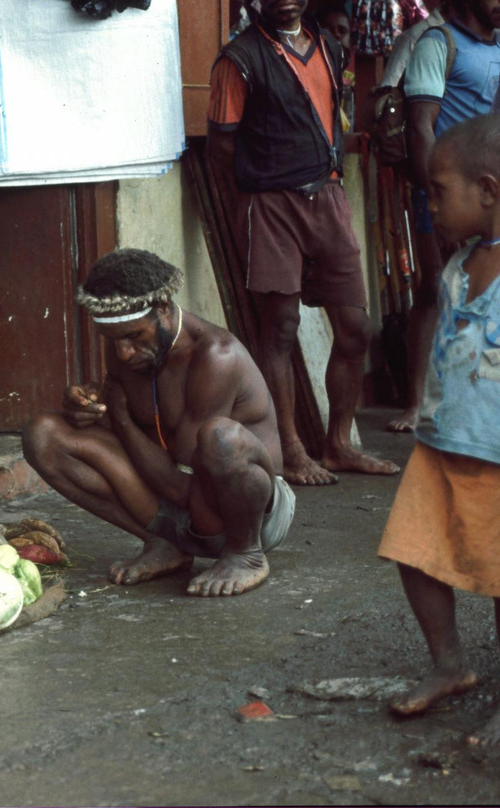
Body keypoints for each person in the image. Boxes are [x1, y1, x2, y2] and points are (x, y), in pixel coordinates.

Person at [22, 248, 295, 597]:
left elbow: (181, 486)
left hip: (249, 514)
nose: (122, 353)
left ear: (164, 307)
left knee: (221, 438)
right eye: (113, 340)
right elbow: (138, 425)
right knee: (43, 434)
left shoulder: (216, 357)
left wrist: (118, 417)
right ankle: (164, 545)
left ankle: (246, 556)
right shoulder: (130, 347)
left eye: (134, 336)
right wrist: (87, 409)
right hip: (183, 501)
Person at [206, 0, 400, 486]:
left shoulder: (330, 48)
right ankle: (291, 451)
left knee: (355, 328)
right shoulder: (240, 58)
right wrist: (256, 196)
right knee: (281, 329)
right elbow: (222, 146)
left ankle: (337, 445)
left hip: (327, 197)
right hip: (271, 205)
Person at [377, 114, 500, 746]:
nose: (431, 205)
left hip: (498, 454)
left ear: (488, 189)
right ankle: (450, 665)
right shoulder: (459, 266)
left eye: (438, 191)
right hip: (446, 443)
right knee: (415, 551)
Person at [389, 0, 500, 432]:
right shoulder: (440, 43)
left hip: (489, 194)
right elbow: (421, 126)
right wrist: (438, 197)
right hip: (450, 194)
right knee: (437, 290)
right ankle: (418, 404)